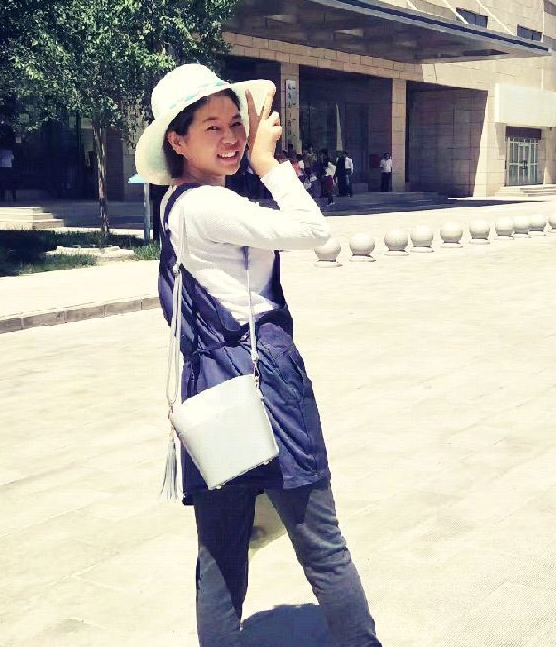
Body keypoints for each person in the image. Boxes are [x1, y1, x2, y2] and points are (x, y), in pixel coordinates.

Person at [134, 64, 382, 647]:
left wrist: (251, 123)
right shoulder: (205, 206)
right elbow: (313, 230)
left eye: (234, 124)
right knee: (321, 542)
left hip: (215, 383)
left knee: (221, 553)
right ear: (177, 141)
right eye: (211, 127)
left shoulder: (184, 202)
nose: (231, 137)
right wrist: (269, 164)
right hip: (263, 379)